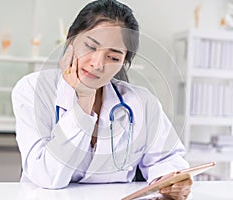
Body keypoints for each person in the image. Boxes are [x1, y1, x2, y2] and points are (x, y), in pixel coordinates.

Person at [12, 0, 192, 199]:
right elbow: (47, 177)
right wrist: (84, 99)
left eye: (113, 58)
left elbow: (166, 160)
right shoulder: (34, 90)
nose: (98, 64)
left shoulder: (141, 102)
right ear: (71, 40)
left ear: (123, 63)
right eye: (90, 47)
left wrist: (171, 182)